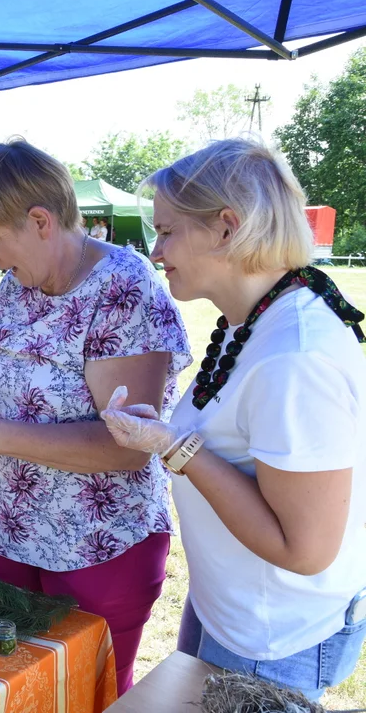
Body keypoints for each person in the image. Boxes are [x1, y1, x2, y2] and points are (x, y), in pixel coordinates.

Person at [0, 140, 191, 695]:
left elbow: (128, 445)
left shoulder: (124, 289)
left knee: (88, 692)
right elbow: (9, 403)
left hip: (100, 546)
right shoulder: (16, 288)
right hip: (10, 532)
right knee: (2, 686)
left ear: (40, 220)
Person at [102, 138, 366, 701]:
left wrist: (174, 446)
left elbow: (305, 549)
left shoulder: (294, 355)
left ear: (226, 227)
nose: (156, 249)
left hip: (272, 636)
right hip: (231, 607)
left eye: (168, 230)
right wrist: (170, 437)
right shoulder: (255, 319)